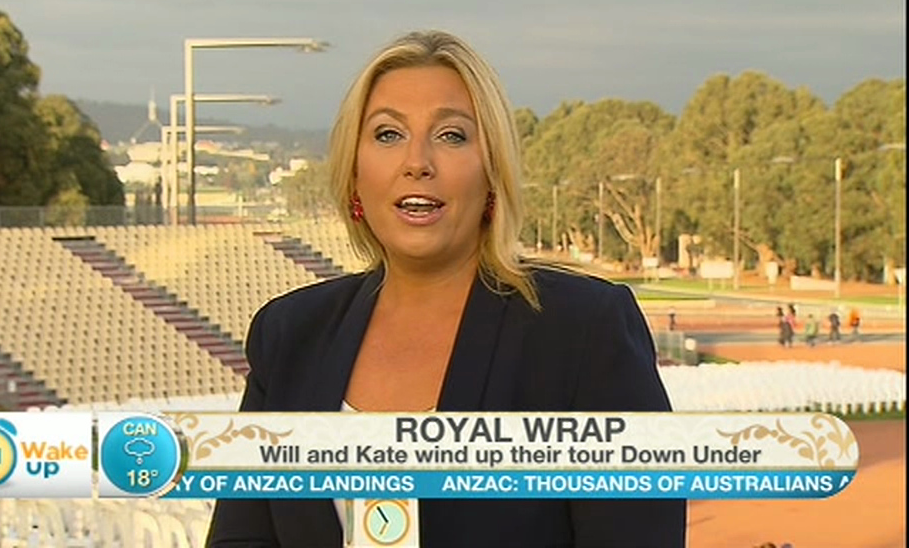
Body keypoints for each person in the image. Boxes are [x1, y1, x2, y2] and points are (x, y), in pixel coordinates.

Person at [206, 30, 685, 548]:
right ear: (354, 175)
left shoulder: (584, 330)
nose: (417, 162)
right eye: (388, 134)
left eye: (452, 135)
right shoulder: (289, 335)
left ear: (492, 173)